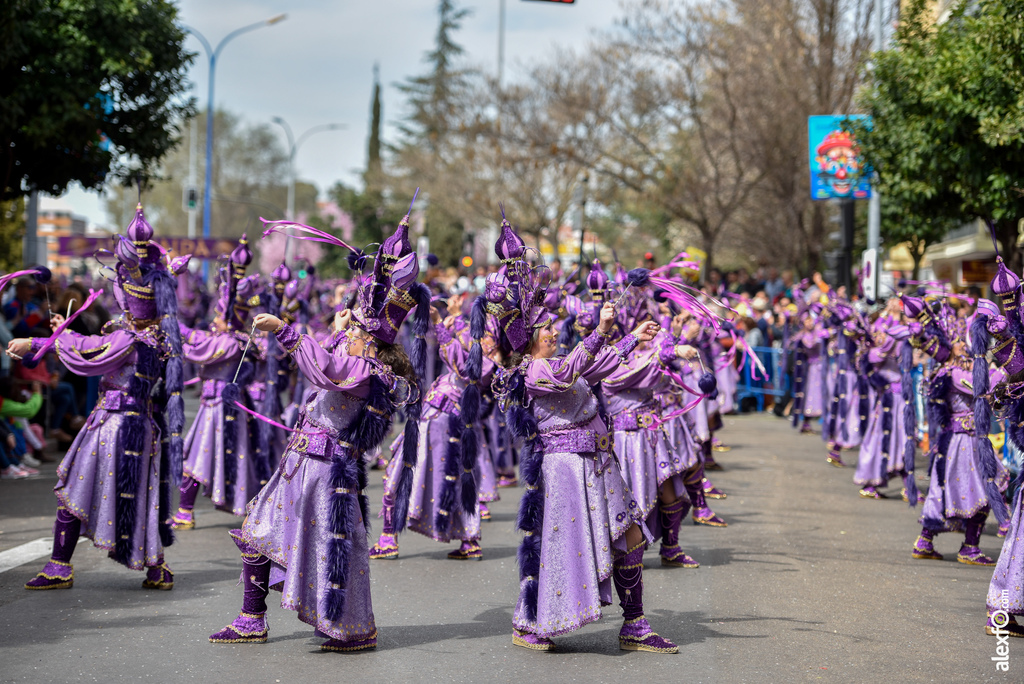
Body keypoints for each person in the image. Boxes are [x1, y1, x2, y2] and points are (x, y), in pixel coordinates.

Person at [209, 212, 428, 652]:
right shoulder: (352, 352)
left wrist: (285, 330)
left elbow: (326, 369)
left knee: (328, 551)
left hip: (327, 473)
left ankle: (343, 627)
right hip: (301, 465)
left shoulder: (369, 370)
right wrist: (332, 329)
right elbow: (326, 353)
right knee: (257, 533)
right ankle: (252, 617)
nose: (344, 330)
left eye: (353, 330)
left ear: (369, 338)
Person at [488, 216, 677, 653]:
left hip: (598, 463)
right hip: (567, 471)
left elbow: (596, 366)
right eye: (548, 328)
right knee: (560, 552)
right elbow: (570, 368)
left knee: (630, 536)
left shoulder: (560, 364)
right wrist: (601, 331)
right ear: (531, 338)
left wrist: (632, 338)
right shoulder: (532, 371)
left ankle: (635, 625)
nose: (555, 329)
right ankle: (533, 621)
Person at [13, 203, 186, 591]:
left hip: (116, 426)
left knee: (75, 487)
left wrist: (40, 342)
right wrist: (62, 332)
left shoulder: (133, 336)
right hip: (135, 425)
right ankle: (156, 567)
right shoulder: (161, 336)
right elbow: (93, 342)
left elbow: (93, 351)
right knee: (139, 496)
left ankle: (60, 565)